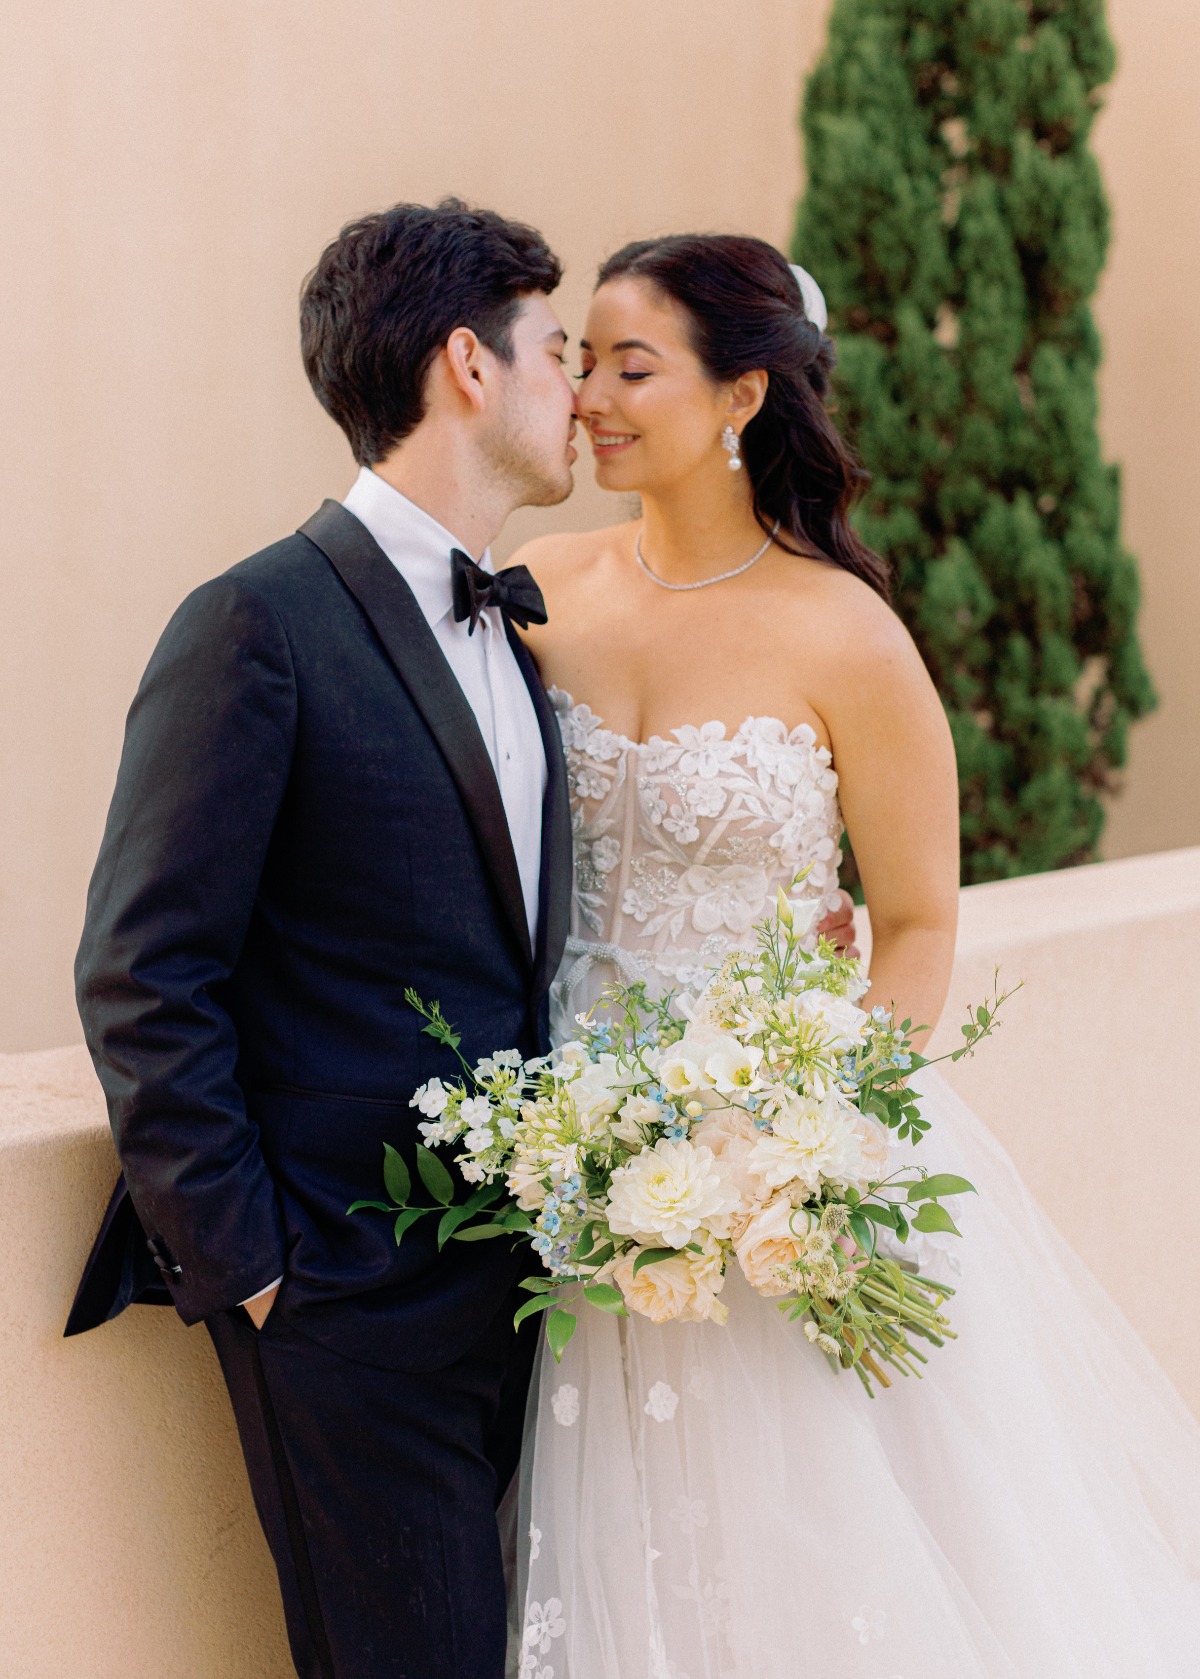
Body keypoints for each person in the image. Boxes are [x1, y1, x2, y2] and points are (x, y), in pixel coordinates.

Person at [508, 234, 1200, 1677]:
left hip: (785, 1160)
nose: (592, 396)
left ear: (743, 394)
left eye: (635, 366)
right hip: (567, 1153)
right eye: (584, 360)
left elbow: (921, 924)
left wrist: (798, 1141)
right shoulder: (532, 588)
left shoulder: (848, 635)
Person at [66, 197, 583, 1679]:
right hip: (348, 1310)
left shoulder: (515, 637)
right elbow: (143, 971)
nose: (578, 392)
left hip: (523, 1295)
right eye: (556, 349)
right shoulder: (255, 623)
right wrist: (262, 1276)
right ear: (468, 369)